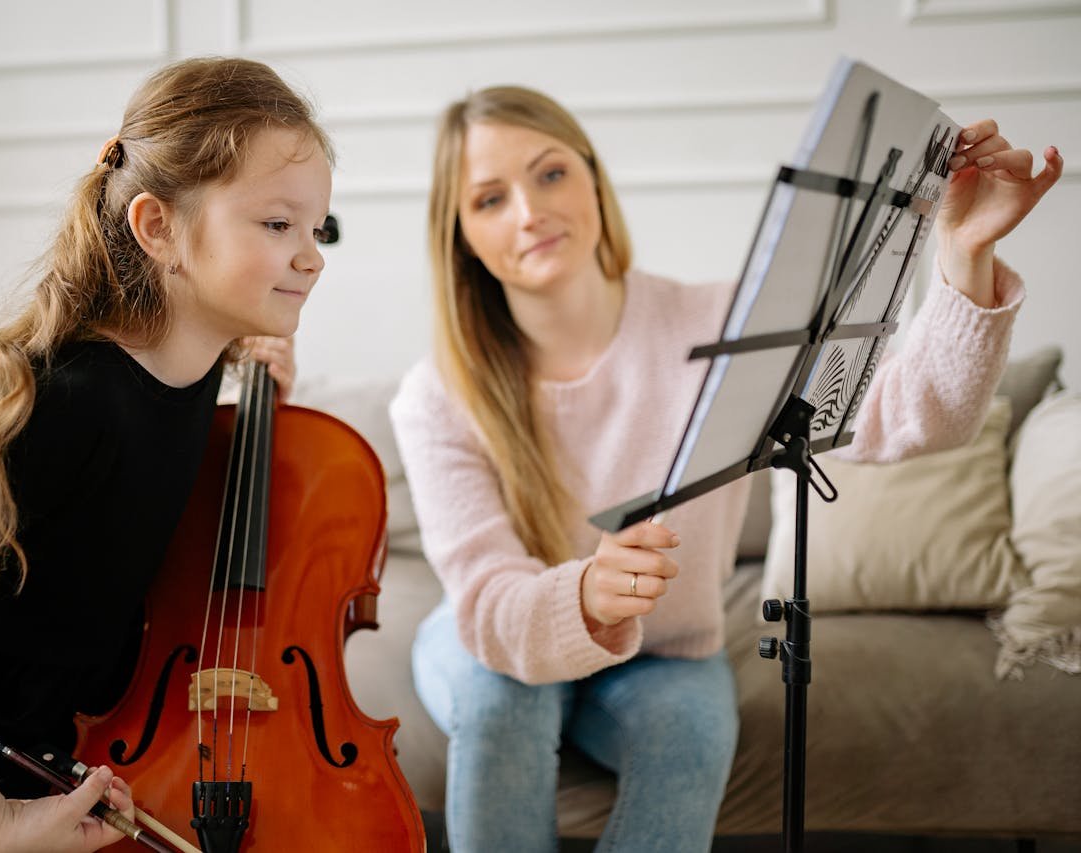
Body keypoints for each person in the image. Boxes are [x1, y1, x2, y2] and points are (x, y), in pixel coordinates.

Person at [389, 85, 1062, 852]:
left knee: (689, 736)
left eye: (549, 175)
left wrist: (964, 252)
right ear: (462, 236)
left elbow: (920, 414)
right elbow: (485, 597)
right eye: (488, 199)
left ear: (591, 178)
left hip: (668, 648)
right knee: (503, 699)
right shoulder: (437, 393)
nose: (528, 212)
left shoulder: (721, 327)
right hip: (495, 636)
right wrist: (582, 594)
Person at [0, 56, 332, 852]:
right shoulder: (59, 404)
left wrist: (247, 373)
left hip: (42, 748)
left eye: (317, 228)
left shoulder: (187, 368)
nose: (312, 255)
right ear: (157, 228)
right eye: (276, 225)